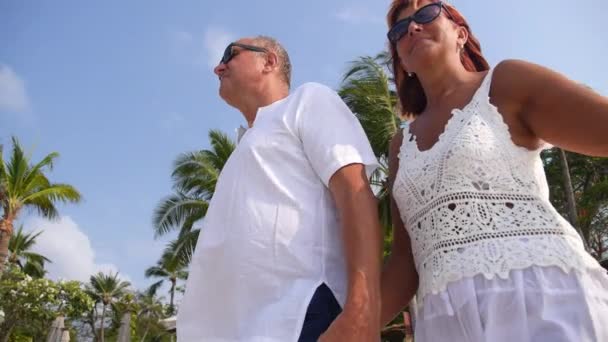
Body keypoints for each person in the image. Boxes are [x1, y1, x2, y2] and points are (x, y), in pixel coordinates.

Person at [380, 1, 608, 341]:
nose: (412, 28)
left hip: (542, 298)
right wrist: (348, 325)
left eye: (426, 15)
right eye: (399, 29)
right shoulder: (400, 146)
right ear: (402, 60)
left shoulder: (505, 84)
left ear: (460, 34)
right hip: (443, 322)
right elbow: (404, 260)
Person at [177, 35, 383, 341]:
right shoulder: (243, 146)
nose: (218, 68)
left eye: (229, 55)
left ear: (269, 61)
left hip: (298, 315)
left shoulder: (308, 101)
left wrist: (362, 308)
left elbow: (354, 193)